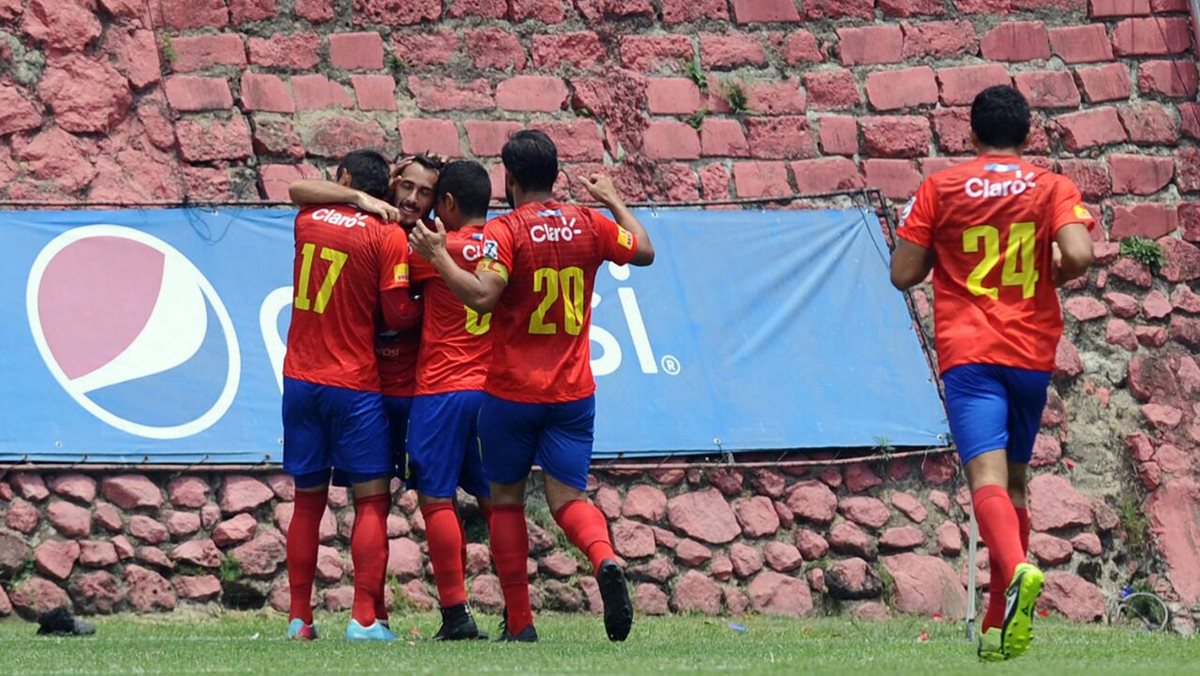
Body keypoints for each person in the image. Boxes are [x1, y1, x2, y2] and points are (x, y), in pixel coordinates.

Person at [410, 130, 655, 643]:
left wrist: (439, 257)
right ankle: (604, 557)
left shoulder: (508, 231)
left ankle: (520, 622)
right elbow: (645, 250)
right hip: (572, 392)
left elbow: (481, 297)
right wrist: (612, 200)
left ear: (510, 178)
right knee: (569, 500)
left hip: (512, 393)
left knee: (505, 502)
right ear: (558, 174)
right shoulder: (589, 222)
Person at [890, 85, 1095, 661]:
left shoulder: (942, 187)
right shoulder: (1053, 187)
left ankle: (1021, 571)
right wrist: (1052, 268)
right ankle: (997, 622)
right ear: (1029, 136)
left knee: (985, 480)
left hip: (972, 352)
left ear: (971, 134)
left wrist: (940, 250)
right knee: (1017, 484)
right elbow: (1078, 254)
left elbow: (903, 273)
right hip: (1031, 354)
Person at [288, 155, 443, 630]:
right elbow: (397, 315)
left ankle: (299, 619)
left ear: (346, 179)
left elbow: (299, 188)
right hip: (353, 384)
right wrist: (436, 306)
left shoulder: (308, 219)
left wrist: (354, 195)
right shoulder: (387, 234)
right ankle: (362, 621)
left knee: (307, 502)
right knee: (371, 501)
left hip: (298, 380)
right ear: (389, 187)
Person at [406, 160, 496, 641]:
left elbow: (396, 272)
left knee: (437, 498)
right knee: (495, 501)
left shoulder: (434, 250)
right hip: (491, 392)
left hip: (441, 388)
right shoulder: (504, 247)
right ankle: (519, 614)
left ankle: (456, 614)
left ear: (449, 204)